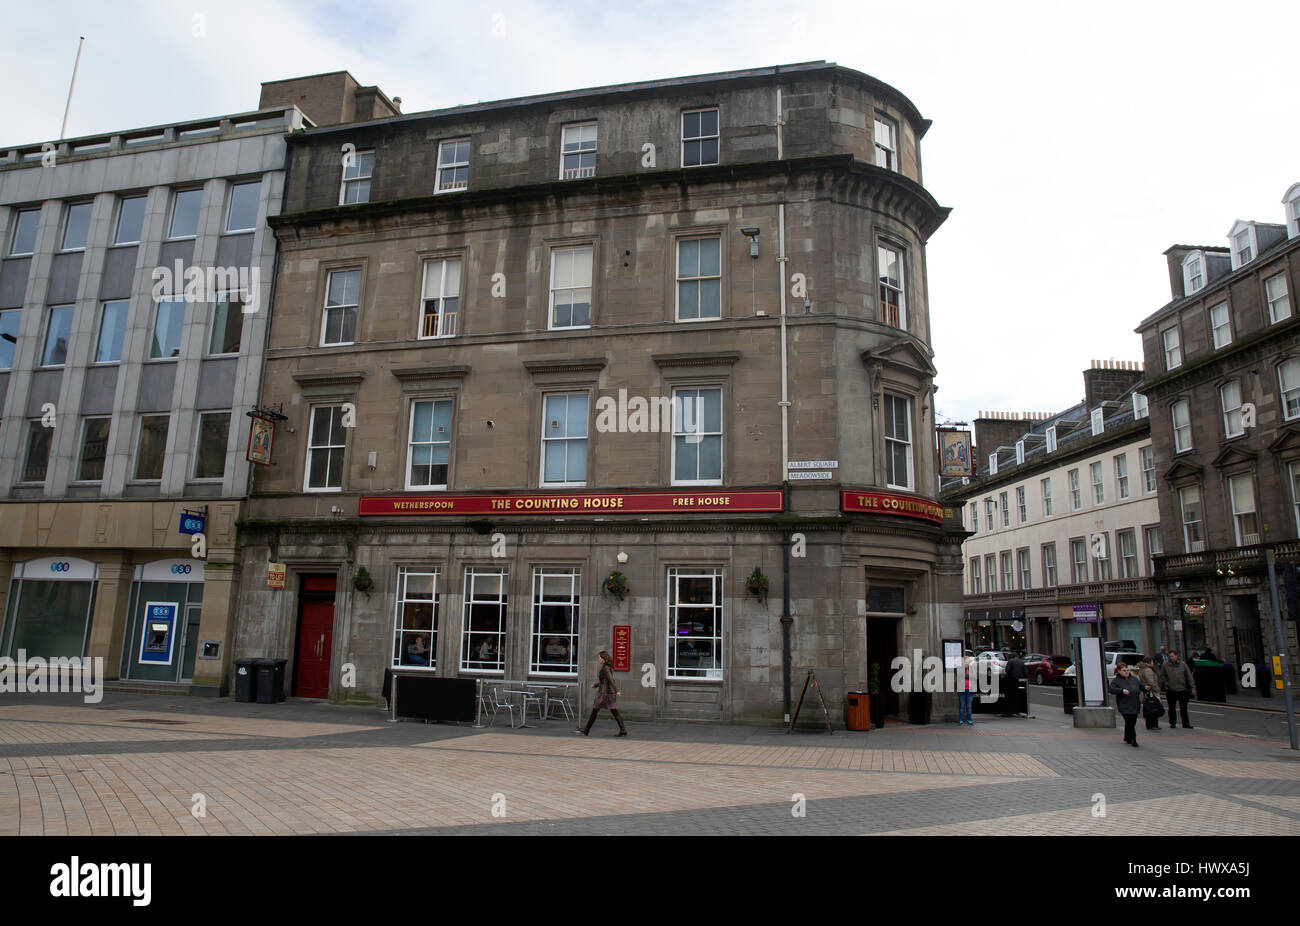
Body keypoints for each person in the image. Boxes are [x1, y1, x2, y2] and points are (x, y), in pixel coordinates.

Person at [576, 650, 627, 736]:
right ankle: (623, 730)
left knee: (595, 711)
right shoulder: (606, 667)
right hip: (608, 693)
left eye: (599, 658)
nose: (598, 659)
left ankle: (586, 729)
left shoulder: (606, 668)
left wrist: (617, 690)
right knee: (614, 711)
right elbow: (605, 681)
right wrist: (596, 685)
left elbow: (611, 680)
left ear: (603, 659)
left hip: (604, 694)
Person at [1160, 651, 1197, 729]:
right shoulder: (1165, 665)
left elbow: (1189, 676)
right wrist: (1167, 683)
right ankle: (1172, 723)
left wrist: (1192, 687)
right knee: (1172, 708)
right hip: (1171, 690)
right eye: (1170, 656)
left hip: (1182, 689)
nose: (1171, 658)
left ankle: (1186, 723)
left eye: (1172, 656)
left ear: (1177, 656)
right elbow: (1162, 675)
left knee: (1183, 708)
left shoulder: (1183, 665)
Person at [1109, 662, 1141, 747]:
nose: (1126, 672)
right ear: (1119, 671)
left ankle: (1127, 737)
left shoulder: (1134, 679)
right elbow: (1111, 689)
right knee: (1129, 721)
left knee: (1132, 722)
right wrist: (1121, 691)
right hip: (1124, 705)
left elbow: (1140, 686)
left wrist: (1146, 687)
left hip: (1134, 704)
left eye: (1127, 670)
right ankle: (1133, 739)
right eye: (1124, 670)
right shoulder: (1117, 680)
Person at [1136, 656, 1161, 730]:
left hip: (1146, 691)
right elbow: (1151, 682)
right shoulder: (1148, 670)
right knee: (1154, 707)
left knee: (1149, 707)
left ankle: (1150, 724)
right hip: (1151, 691)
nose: (1153, 663)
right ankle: (1153, 724)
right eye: (1152, 662)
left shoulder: (1142, 669)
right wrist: (1157, 689)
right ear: (1149, 662)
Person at [957, 655, 975, 726]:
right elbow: (959, 676)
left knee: (969, 706)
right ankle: (961, 720)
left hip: (970, 690)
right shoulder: (960, 668)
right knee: (962, 706)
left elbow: (974, 677)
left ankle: (969, 720)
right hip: (962, 690)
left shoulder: (972, 668)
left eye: (968, 661)